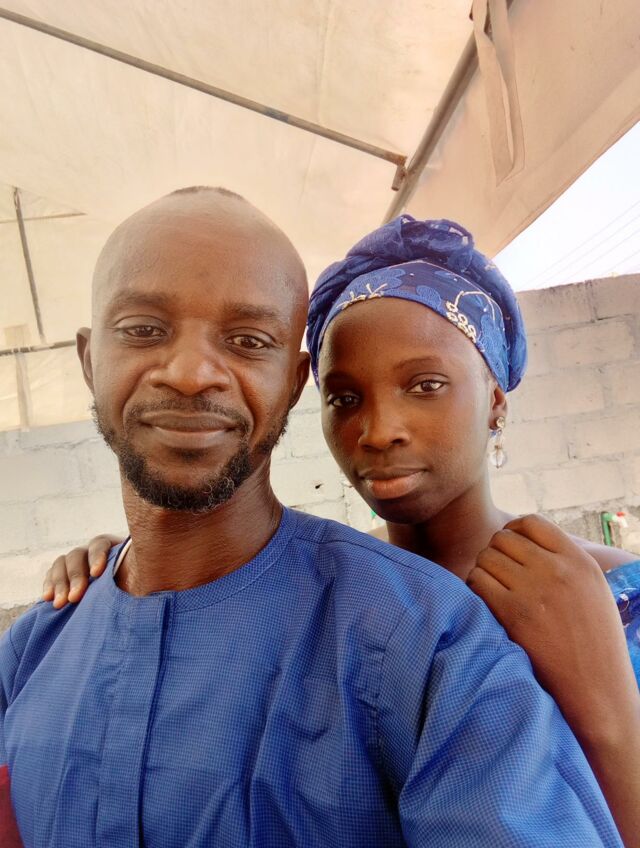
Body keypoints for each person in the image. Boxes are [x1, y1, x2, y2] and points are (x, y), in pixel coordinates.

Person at [8, 189, 624, 848]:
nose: (188, 374)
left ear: (291, 381)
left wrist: (612, 712)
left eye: (248, 340)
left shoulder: (429, 643)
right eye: (143, 329)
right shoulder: (34, 649)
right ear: (88, 360)